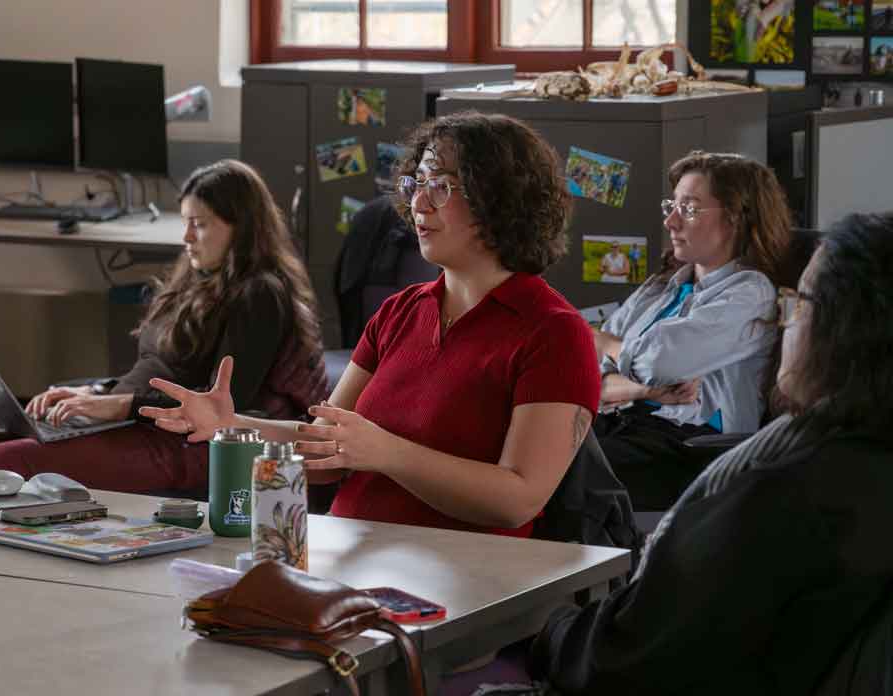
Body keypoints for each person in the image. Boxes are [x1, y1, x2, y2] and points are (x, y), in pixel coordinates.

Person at [140, 111, 601, 537]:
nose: (419, 202)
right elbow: (327, 451)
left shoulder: (554, 333)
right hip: (348, 551)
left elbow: (518, 500)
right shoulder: (400, 311)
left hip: (461, 573)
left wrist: (386, 452)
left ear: (501, 199)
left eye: (442, 185)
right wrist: (233, 424)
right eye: (417, 183)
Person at [522, 212, 893, 694]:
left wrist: (544, 625)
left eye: (798, 303)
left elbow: (623, 660)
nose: (787, 322)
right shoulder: (861, 467)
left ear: (848, 328)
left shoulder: (779, 492)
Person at [0, 160, 327, 493]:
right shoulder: (198, 278)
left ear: (242, 227)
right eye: (186, 222)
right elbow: (158, 371)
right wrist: (97, 392)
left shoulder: (260, 293)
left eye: (200, 224)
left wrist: (120, 405)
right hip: (133, 417)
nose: (186, 236)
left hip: (180, 437)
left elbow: (221, 406)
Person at [592, 151, 792, 510]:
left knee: (563, 472)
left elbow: (658, 361)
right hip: (622, 424)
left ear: (735, 219)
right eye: (672, 206)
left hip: (688, 447)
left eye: (688, 209)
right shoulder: (662, 286)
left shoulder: (751, 294)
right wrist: (645, 389)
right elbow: (592, 375)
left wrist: (607, 342)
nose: (670, 221)